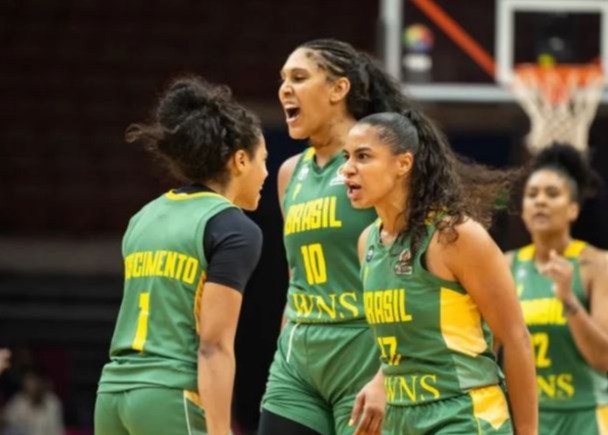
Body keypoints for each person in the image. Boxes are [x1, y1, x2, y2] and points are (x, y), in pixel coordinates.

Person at [260, 39, 423, 435]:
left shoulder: (378, 165)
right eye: (283, 79)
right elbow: (295, 274)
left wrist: (389, 375)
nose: (284, 89)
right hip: (298, 360)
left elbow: (414, 276)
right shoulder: (289, 174)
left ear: (339, 89)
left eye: (299, 78)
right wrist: (285, 347)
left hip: (364, 351)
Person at [341, 110, 539, 435]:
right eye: (347, 157)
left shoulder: (454, 236)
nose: (347, 168)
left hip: (462, 416)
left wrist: (528, 433)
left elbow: (515, 338)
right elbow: (402, 343)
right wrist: (381, 380)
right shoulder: (368, 243)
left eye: (363, 157)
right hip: (401, 420)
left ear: (403, 164)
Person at [95, 76, 267, 435]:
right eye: (262, 160)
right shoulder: (234, 228)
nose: (266, 172)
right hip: (171, 395)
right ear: (239, 161)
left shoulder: (143, 217)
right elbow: (213, 346)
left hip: (112, 394)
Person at [505, 143, 608, 435]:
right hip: (529, 417)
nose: (540, 201)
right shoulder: (507, 265)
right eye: (532, 195)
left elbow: (606, 358)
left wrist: (568, 298)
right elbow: (490, 346)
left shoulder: (598, 264)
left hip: (585, 417)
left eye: (552, 194)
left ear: (573, 209)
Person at [3, 368, 65, 435]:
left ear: (41, 382)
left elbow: (57, 430)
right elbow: (5, 421)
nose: (30, 385)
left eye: (33, 381)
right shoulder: (18, 401)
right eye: (27, 382)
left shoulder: (52, 402)